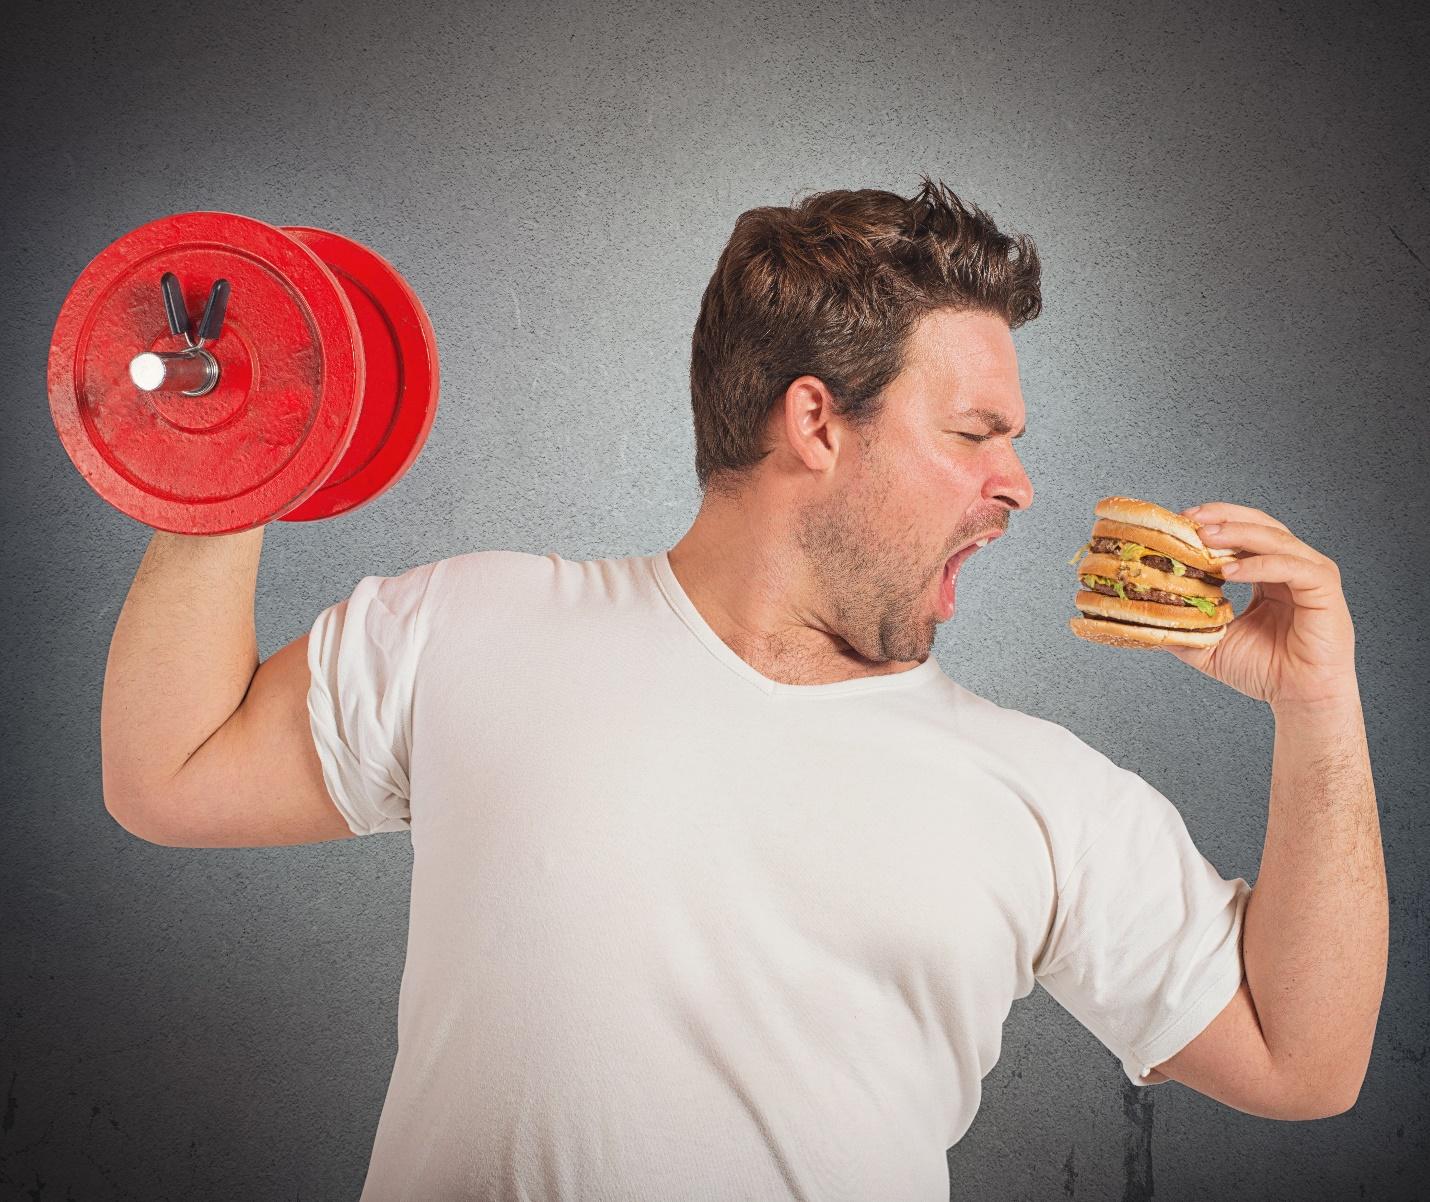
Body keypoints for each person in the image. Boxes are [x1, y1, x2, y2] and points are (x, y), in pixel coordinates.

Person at [100, 177, 1384, 1202]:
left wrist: (1316, 704)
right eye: (974, 432)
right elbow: (173, 771)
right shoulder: (469, 624)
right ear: (816, 423)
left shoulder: (1044, 794)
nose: (1017, 485)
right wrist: (229, 439)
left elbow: (1302, 1058)